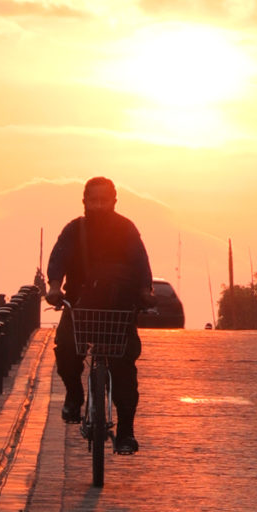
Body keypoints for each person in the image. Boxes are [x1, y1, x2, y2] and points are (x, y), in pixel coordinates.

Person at [48, 175, 153, 452]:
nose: (98, 205)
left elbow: (141, 262)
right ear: (84, 202)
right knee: (67, 350)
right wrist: (55, 287)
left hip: (119, 310)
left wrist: (145, 291)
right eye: (93, 200)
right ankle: (74, 394)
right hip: (80, 308)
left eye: (103, 200)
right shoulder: (75, 230)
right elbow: (58, 259)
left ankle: (126, 433)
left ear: (114, 201)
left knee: (124, 370)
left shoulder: (126, 229)